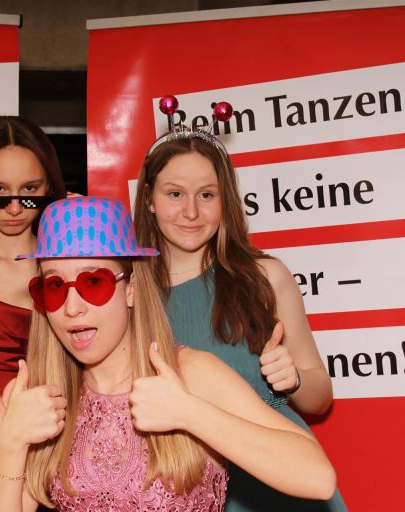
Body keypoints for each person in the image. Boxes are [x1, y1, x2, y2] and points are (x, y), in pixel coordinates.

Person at [0, 196, 337, 511]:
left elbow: (318, 479)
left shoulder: (188, 373)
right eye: (54, 287)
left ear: (131, 288)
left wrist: (190, 413)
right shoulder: (48, 400)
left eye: (93, 282)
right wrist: (8, 446)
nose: (72, 308)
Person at [132, 130, 347, 510]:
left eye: (206, 195)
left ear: (225, 200)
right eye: (175, 194)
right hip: (176, 482)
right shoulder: (128, 290)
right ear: (149, 198)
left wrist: (294, 378)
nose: (191, 212)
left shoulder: (265, 277)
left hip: (275, 479)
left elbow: (320, 398)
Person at [0, 116, 65, 403]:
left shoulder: (71, 262)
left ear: (48, 186)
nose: (15, 208)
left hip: (59, 416)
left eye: (30, 189)